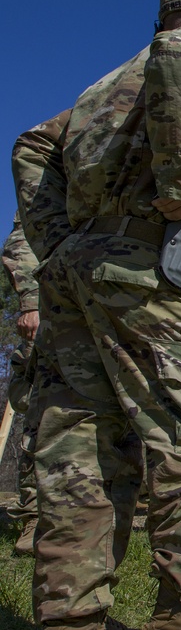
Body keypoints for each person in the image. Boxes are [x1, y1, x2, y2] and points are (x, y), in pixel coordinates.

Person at [22, 0, 181, 630]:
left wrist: (58, 243)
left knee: (83, 438)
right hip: (144, 267)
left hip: (76, 274)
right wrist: (180, 189)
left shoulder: (101, 89)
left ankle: (70, 613)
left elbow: (33, 145)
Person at [2, 214, 41, 557]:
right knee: (42, 411)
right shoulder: (53, 175)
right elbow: (22, 242)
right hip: (54, 313)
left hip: (106, 310)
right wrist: (31, 299)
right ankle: (34, 515)